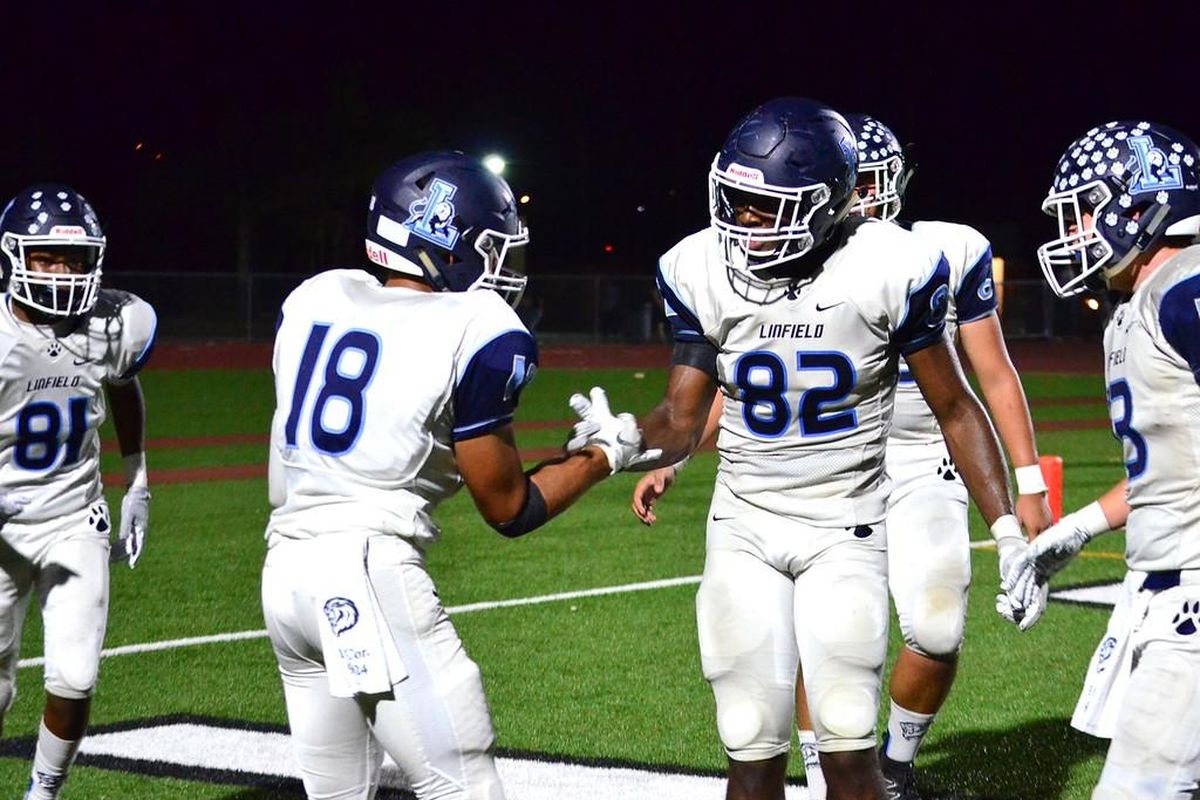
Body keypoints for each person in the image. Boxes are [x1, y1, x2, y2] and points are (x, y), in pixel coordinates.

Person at [576, 97, 1025, 800]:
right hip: (743, 525)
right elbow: (680, 414)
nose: (743, 221)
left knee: (849, 742)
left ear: (828, 204)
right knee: (751, 742)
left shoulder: (891, 264)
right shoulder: (698, 266)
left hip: (843, 525)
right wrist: (625, 441)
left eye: (766, 206)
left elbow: (955, 404)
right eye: (737, 200)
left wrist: (1006, 522)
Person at [260, 151, 653, 800]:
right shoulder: (477, 325)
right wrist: (602, 455)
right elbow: (508, 508)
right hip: (366, 573)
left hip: (284, 578)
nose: (502, 269)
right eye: (490, 249)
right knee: (465, 787)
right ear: (441, 241)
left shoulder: (316, 299)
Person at [1001, 120, 1200, 799]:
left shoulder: (1186, 287)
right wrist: (1080, 526)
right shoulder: (1143, 301)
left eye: (1086, 208)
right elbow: (1168, 468)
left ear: (1144, 203)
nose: (1075, 229)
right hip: (1163, 585)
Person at [0, 184, 155, 799]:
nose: (60, 272)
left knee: (76, 675)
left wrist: (137, 475)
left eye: (72, 258)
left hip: (73, 516)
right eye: (45, 258)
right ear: (14, 257)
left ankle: (43, 793)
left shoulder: (112, 326)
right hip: (2, 524)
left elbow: (122, 384)